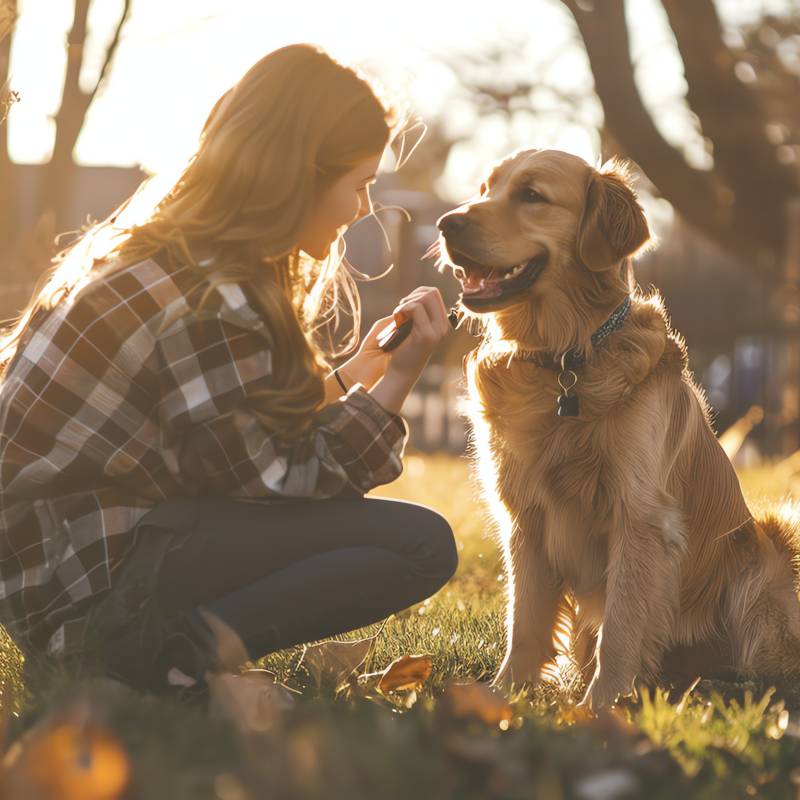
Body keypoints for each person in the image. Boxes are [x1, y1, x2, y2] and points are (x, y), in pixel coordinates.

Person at [0, 43, 458, 696]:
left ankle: (154, 652)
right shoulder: (213, 297)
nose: (363, 208)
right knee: (421, 545)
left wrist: (355, 372)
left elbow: (222, 441)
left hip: (62, 581)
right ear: (298, 176)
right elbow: (279, 479)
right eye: (358, 184)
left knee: (398, 536)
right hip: (98, 599)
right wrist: (398, 383)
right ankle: (166, 661)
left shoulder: (164, 259)